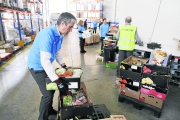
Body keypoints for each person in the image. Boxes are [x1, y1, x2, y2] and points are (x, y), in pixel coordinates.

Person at [27, 12, 77, 120]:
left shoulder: (60, 35)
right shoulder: (47, 35)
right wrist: (58, 81)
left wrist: (64, 65)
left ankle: (49, 110)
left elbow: (57, 52)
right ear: (63, 23)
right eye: (70, 27)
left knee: (52, 88)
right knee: (47, 94)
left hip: (45, 65)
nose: (71, 30)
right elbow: (45, 61)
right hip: (37, 66)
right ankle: (42, 118)